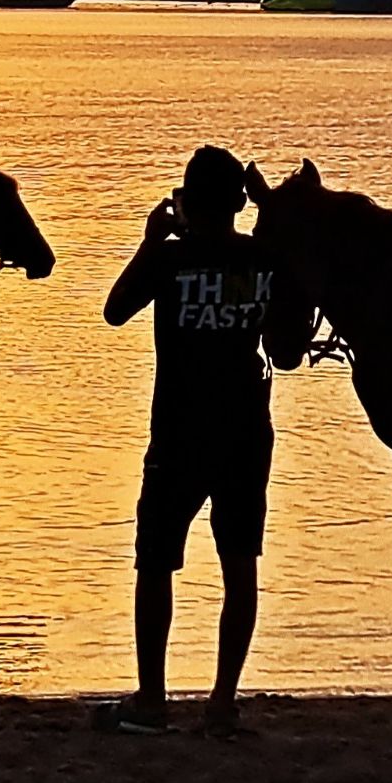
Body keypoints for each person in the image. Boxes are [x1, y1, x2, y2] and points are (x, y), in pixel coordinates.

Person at [96, 146, 274, 735]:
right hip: (246, 429)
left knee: (155, 562)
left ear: (187, 204)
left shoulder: (171, 261)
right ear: (237, 205)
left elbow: (115, 310)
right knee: (239, 564)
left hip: (179, 429)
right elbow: (291, 345)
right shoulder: (261, 257)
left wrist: (153, 241)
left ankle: (152, 700)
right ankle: (222, 702)